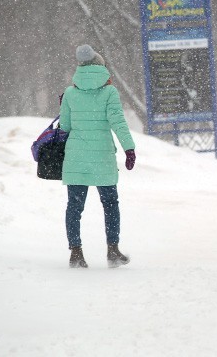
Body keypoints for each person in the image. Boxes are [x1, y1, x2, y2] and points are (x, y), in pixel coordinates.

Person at [60, 44, 136, 269]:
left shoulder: (70, 93)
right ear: (100, 66)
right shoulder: (109, 92)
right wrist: (129, 149)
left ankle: (76, 253)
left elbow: (65, 127)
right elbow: (118, 122)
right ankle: (112, 251)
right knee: (110, 204)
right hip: (102, 156)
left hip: (76, 157)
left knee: (74, 207)